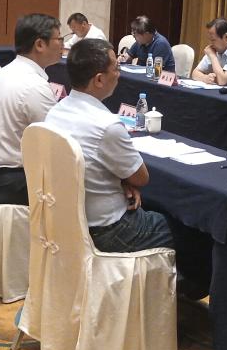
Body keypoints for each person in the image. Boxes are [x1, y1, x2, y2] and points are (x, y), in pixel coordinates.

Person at [44, 38, 173, 252]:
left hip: (62, 222)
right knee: (171, 226)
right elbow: (141, 178)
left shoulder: (55, 112)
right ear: (99, 79)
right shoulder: (107, 125)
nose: (119, 74)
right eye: (116, 68)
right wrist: (127, 181)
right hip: (105, 230)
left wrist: (122, 182)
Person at [0, 14, 64, 205]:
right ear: (40, 44)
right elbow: (57, 144)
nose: (63, 45)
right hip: (15, 183)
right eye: (59, 38)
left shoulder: (4, 72)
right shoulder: (33, 85)